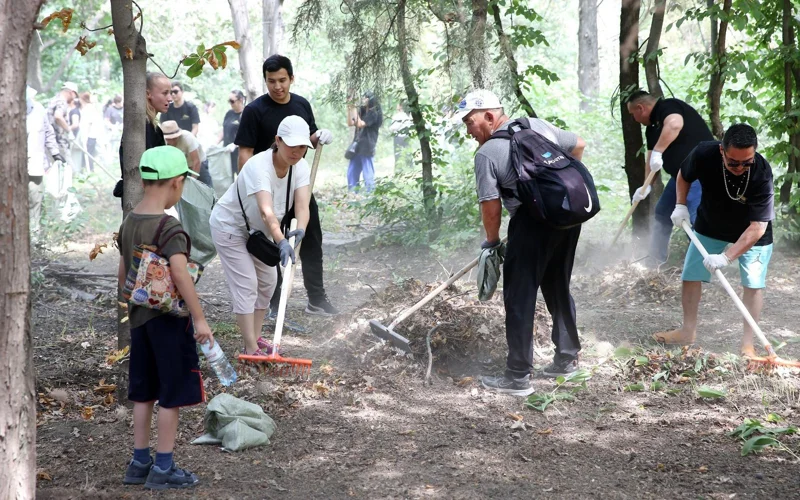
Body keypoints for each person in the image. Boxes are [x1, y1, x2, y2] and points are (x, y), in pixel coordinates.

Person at [453, 89, 588, 395]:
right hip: (567, 217)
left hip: (531, 223)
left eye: (470, 123)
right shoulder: (535, 125)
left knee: (519, 296)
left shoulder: (487, 154)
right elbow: (578, 144)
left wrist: (492, 242)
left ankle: (517, 376)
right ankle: (567, 361)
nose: (468, 131)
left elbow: (491, 205)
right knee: (557, 286)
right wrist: (561, 192)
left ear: (489, 117)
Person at [118, 146, 213, 490]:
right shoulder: (169, 227)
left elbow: (123, 272)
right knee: (171, 393)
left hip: (140, 322)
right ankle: (163, 468)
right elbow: (181, 273)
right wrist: (200, 318)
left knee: (143, 393)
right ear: (176, 183)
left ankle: (139, 461)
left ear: (144, 181)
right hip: (170, 324)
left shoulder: (129, 221)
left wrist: (128, 305)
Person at [653, 124, 774, 358]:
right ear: (722, 151)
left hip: (750, 231)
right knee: (691, 274)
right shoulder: (703, 153)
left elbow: (758, 228)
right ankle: (687, 331)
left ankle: (747, 345)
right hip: (711, 223)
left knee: (753, 283)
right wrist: (680, 204)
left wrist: (726, 257)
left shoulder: (762, 173)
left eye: (746, 162)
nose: (740, 167)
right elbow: (683, 175)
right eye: (733, 162)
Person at [234, 54, 338, 317]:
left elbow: (307, 139)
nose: (277, 86)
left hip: (299, 184)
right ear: (265, 81)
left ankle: (317, 298)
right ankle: (273, 302)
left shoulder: (301, 105)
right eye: (271, 81)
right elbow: (244, 154)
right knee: (272, 244)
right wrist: (249, 193)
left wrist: (318, 136)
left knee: (311, 238)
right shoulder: (254, 111)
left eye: (282, 80)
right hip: (267, 188)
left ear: (291, 78)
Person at [210, 115, 312, 356]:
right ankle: (250, 349)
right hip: (230, 226)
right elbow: (267, 212)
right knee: (247, 284)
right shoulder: (259, 166)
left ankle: (254, 339)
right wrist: (281, 241)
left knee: (268, 283)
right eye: (291, 145)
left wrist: (301, 230)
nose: (296, 152)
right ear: (277, 140)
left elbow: (302, 207)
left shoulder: (301, 167)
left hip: (260, 232)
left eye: (302, 147)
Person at [626, 90, 713, 266]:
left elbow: (674, 124)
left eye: (632, 114)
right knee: (662, 213)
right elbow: (651, 158)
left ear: (640, 108)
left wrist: (659, 151)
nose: (634, 119)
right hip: (680, 176)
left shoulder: (668, 106)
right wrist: (645, 186)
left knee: (695, 218)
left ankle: (702, 266)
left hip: (701, 172)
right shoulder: (651, 130)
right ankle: (654, 262)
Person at [114, 72, 169, 200]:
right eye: (165, 93)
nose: (169, 98)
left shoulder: (152, 128)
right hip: (144, 200)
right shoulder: (144, 128)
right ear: (148, 94)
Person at [26, 86, 63, 236]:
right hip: (9, 167)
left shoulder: (38, 109)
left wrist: (55, 153)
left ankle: (34, 234)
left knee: (35, 199)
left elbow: (48, 132)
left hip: (34, 162)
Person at [347, 91, 382, 192]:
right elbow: (351, 123)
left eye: (366, 98)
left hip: (367, 144)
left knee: (368, 171)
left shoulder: (375, 112)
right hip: (357, 145)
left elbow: (360, 124)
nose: (363, 100)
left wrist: (353, 107)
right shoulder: (362, 110)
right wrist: (349, 107)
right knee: (352, 171)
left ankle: (370, 194)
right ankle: (353, 192)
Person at [161, 120, 213, 188]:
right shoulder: (163, 142)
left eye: (174, 138)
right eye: (169, 139)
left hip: (199, 163)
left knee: (205, 187)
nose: (172, 140)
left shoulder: (188, 138)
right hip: (183, 165)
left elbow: (196, 161)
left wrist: (193, 181)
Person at [47, 82, 79, 166]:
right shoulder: (62, 102)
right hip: (59, 142)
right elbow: (58, 116)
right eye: (75, 95)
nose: (74, 99)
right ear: (71, 92)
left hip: (50, 142)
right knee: (68, 168)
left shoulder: (54, 99)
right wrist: (68, 130)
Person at [221, 89, 245, 177]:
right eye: (229, 101)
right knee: (227, 177)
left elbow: (246, 134)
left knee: (240, 176)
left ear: (241, 100)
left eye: (232, 101)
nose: (230, 104)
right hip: (226, 152)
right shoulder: (229, 113)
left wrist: (235, 145)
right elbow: (224, 129)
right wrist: (215, 144)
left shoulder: (246, 114)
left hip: (239, 153)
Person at [79, 92, 103, 173]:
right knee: (87, 153)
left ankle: (90, 170)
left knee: (88, 154)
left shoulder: (88, 108)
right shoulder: (88, 108)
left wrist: (85, 135)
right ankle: (86, 169)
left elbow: (89, 123)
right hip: (89, 135)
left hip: (90, 135)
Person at [389, 101, 413, 173]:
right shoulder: (408, 116)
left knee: (397, 154)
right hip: (406, 137)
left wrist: (390, 129)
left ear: (400, 106)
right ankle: (410, 169)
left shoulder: (396, 116)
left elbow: (393, 128)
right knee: (408, 153)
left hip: (398, 137)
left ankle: (398, 171)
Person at [68, 97, 82, 174]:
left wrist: (66, 128)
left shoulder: (74, 111)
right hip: (74, 135)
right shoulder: (73, 111)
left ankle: (76, 172)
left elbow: (75, 124)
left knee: (74, 156)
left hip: (74, 136)